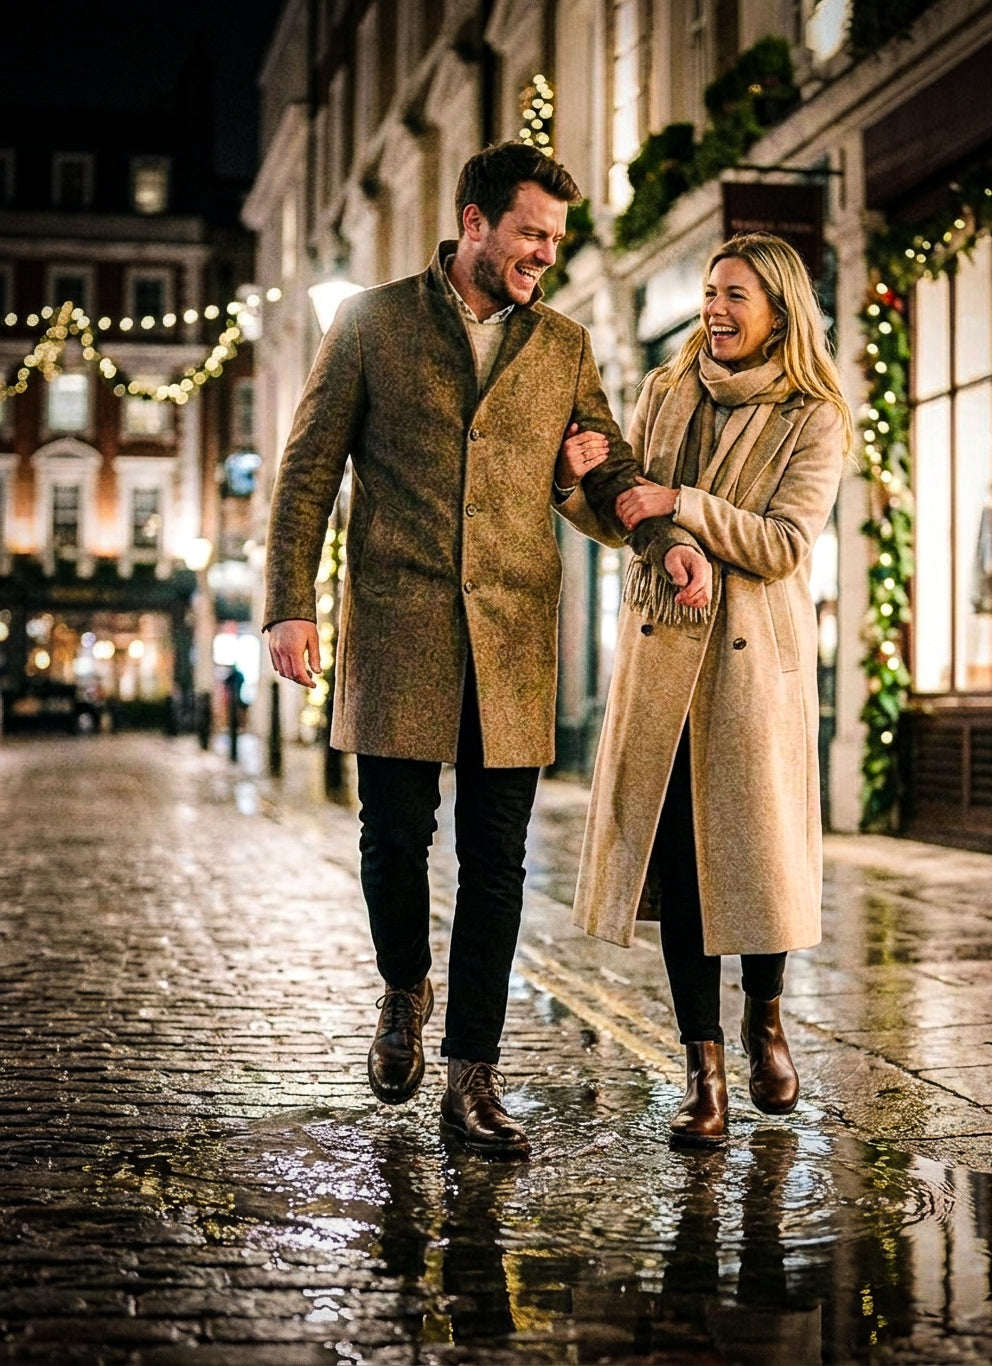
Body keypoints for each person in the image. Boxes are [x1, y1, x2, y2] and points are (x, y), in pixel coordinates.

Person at [263, 142, 708, 1158]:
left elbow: (606, 471)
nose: (543, 256)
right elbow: (305, 474)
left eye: (554, 240)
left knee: (497, 861)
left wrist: (663, 536)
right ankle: (401, 983)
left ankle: (472, 1076)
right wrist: (290, 603)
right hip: (397, 625)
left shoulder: (559, 345)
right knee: (392, 841)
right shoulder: (369, 323)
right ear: (473, 221)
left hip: (512, 639)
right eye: (528, 234)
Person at [565, 232, 852, 1145]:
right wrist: (587, 492)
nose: (715, 310)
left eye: (736, 295)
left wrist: (681, 501)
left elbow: (783, 545)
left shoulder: (815, 414)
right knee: (681, 873)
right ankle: (704, 1071)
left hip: (750, 667)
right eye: (710, 291)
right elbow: (629, 519)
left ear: (778, 312)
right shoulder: (665, 388)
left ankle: (764, 1017)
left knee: (756, 862)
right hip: (662, 661)